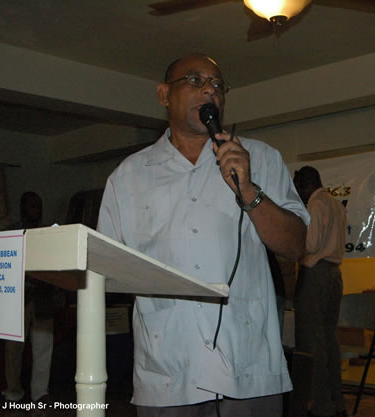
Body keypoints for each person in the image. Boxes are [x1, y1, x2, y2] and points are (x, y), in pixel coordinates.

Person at [97, 53, 309, 417]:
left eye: (217, 84)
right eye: (195, 80)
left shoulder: (260, 157)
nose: (210, 89)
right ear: (164, 95)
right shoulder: (128, 176)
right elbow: (104, 267)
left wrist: (248, 191)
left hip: (248, 367)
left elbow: (296, 245)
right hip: (167, 372)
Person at [292, 166, 347, 417]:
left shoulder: (314, 204)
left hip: (315, 274)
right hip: (334, 274)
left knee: (312, 342)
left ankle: (321, 406)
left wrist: (290, 242)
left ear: (304, 185)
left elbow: (311, 244)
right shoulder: (335, 203)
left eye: (297, 187)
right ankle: (337, 402)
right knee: (329, 340)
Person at [2, 191, 54, 403]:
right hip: (18, 296)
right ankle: (13, 391)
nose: (38, 210)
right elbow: (5, 264)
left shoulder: (49, 233)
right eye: (33, 206)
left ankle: (40, 392)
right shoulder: (10, 232)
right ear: (23, 208)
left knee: (43, 345)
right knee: (14, 348)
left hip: (43, 296)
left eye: (39, 206)